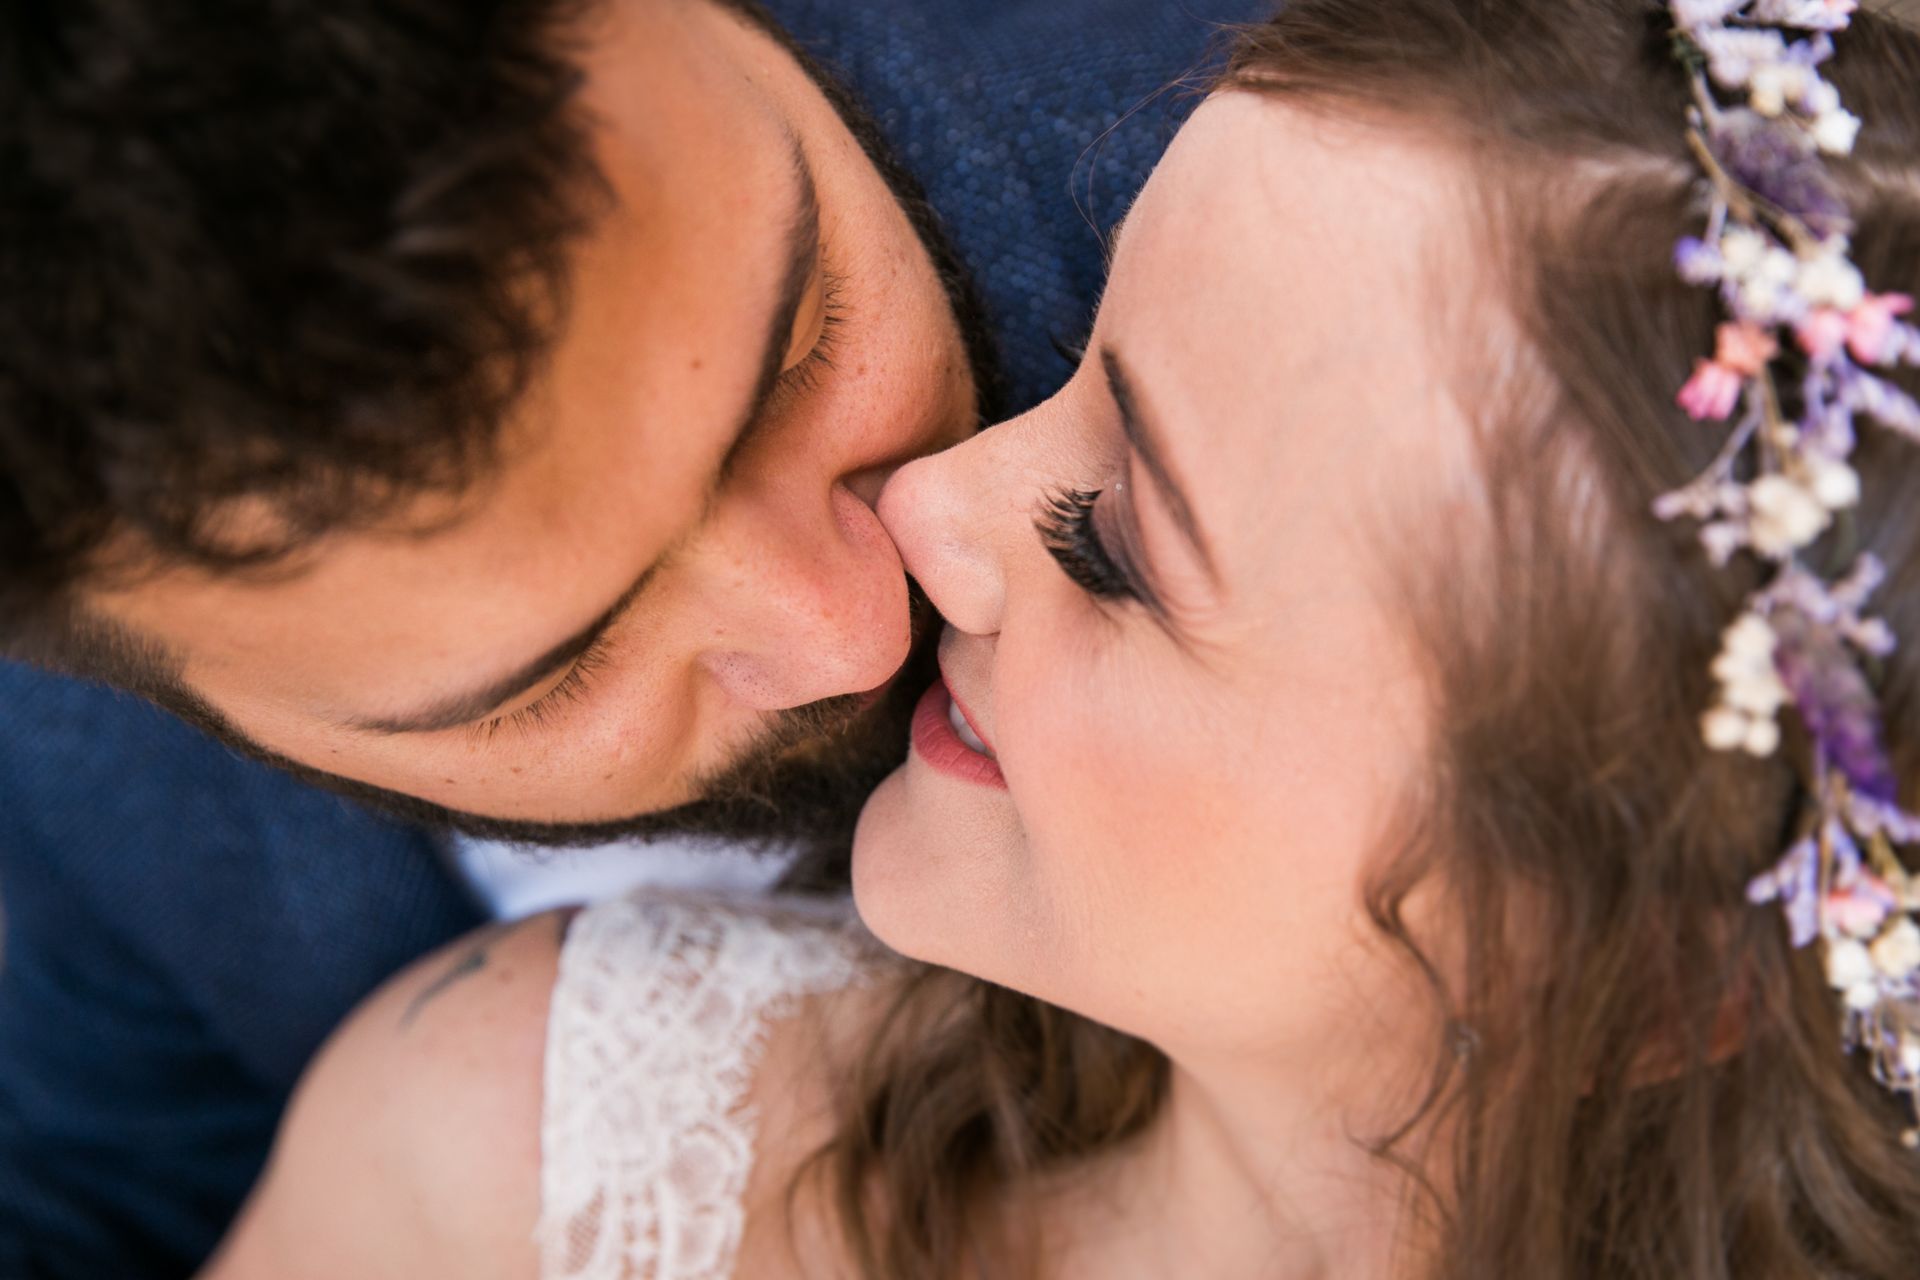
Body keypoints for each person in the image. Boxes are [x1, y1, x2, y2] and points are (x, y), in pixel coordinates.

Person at [197, 0, 1920, 1276]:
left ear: (1667, 972)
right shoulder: (511, 1162)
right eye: (1082, 355)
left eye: (1115, 551)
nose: (929, 510)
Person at [0, 1, 1268, 1273]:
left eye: (804, 348)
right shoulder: (89, 772)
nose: (847, 632)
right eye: (562, 677)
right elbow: (105, 1193)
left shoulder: (1270, 193)